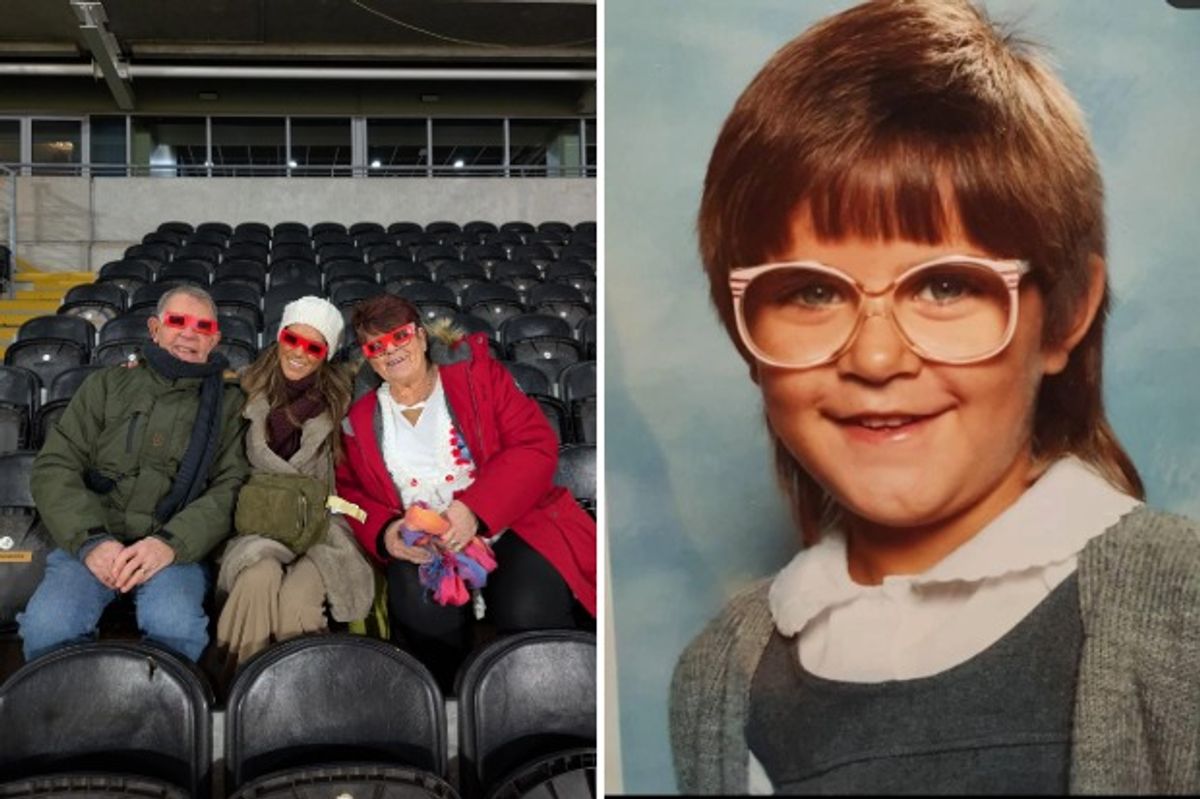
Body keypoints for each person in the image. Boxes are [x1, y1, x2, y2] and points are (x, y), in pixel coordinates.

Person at [668, 0, 1200, 794]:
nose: (876, 356)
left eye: (947, 285)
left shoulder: (1180, 611)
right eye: (811, 292)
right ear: (748, 337)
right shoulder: (719, 676)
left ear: (1065, 316)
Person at [335, 294, 596, 693]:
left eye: (400, 336)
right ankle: (449, 716)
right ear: (369, 358)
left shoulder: (477, 378)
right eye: (377, 346)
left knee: (528, 609)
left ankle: (547, 711)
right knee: (420, 610)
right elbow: (345, 495)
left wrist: (475, 509)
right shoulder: (359, 415)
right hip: (422, 540)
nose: (391, 351)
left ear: (421, 337)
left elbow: (534, 445)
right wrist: (386, 531)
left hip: (511, 524)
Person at [19, 285, 249, 663]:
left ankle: (163, 719)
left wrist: (170, 545)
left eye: (202, 326)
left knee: (175, 626)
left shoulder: (229, 405)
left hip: (173, 549)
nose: (189, 333)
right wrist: (92, 542)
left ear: (215, 339)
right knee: (48, 627)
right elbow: (55, 466)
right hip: (94, 539)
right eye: (178, 321)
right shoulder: (106, 385)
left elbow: (230, 487)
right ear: (155, 328)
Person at [211, 296, 373, 681]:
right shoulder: (242, 391)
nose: (299, 353)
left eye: (313, 346)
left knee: (299, 599)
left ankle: (300, 699)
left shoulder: (345, 399)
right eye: (292, 339)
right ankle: (237, 693)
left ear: (326, 354)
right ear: (279, 336)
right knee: (257, 578)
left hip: (326, 526)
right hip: (259, 523)